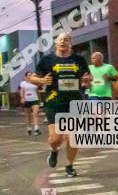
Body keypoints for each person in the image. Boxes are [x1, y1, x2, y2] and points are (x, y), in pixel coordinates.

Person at [28, 32, 91, 177]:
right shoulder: (47, 60)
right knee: (56, 138)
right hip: (54, 102)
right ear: (56, 43)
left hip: (75, 101)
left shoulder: (79, 59)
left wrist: (87, 79)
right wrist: (42, 81)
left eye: (66, 40)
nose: (63, 42)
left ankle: (69, 166)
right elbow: (33, 78)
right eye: (60, 40)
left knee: (73, 137)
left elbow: (86, 76)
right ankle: (54, 150)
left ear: (71, 43)